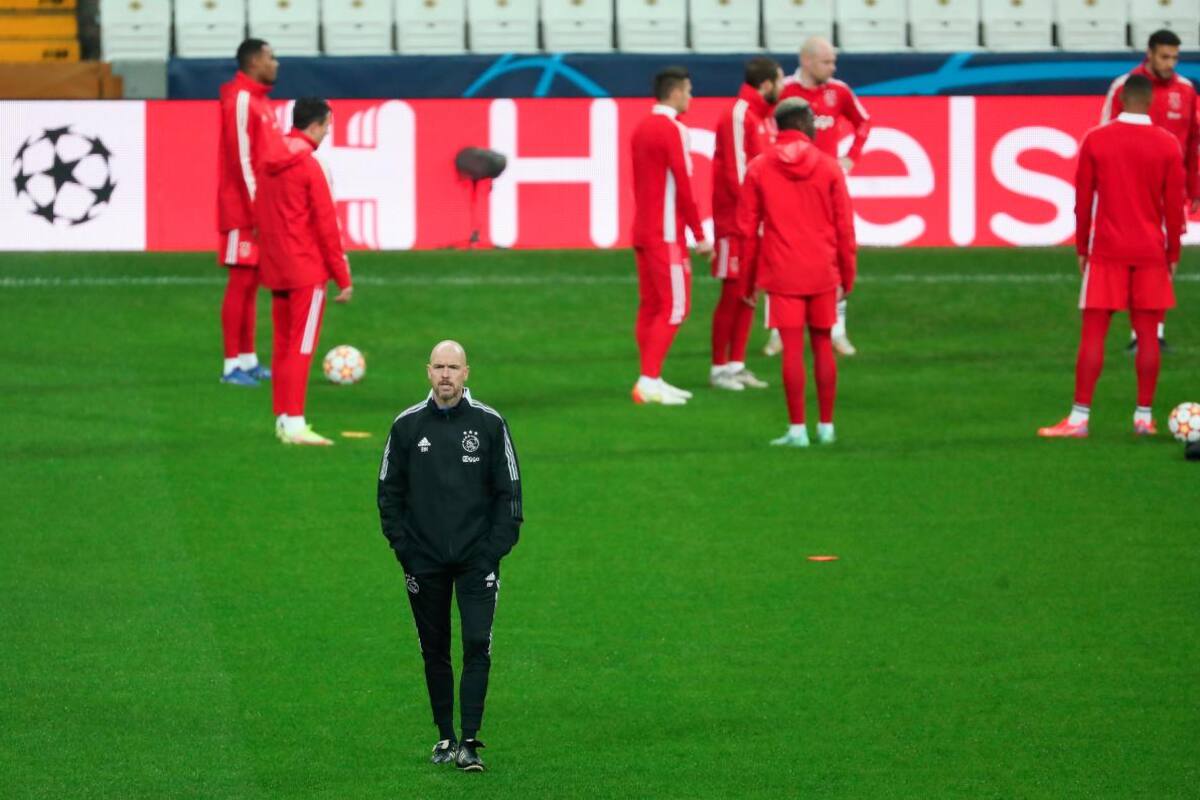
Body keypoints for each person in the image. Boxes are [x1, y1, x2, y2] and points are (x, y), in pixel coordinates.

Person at [377, 340, 523, 773]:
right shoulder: (406, 426)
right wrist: (404, 548)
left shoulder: (490, 423)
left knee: (477, 643)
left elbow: (510, 493)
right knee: (434, 648)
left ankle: (471, 742)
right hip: (423, 561)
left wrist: (494, 549)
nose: (445, 375)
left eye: (453, 368)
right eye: (438, 367)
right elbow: (388, 493)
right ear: (428, 372)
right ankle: (445, 736)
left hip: (477, 559)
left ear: (466, 373)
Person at [1039, 75, 1184, 439]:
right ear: (1150, 103)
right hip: (1150, 252)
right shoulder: (1167, 144)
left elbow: (1083, 200)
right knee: (1148, 335)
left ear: (1119, 101)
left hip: (1106, 251)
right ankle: (1143, 418)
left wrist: (1082, 250)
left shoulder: (1096, 140)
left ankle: (1078, 419)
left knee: (1093, 333)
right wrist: (1172, 253)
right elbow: (1174, 209)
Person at [737, 98, 856, 447]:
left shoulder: (759, 167)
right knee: (822, 344)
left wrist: (747, 282)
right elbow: (845, 228)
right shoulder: (829, 167)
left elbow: (746, 230)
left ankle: (797, 429)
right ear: (803, 125)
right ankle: (827, 426)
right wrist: (847, 276)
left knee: (791, 348)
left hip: (782, 271)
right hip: (822, 269)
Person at [255, 97, 353, 445]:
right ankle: (295, 423)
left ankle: (283, 418)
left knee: (282, 345)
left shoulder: (267, 162)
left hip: (276, 266)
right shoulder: (312, 167)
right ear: (316, 124)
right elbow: (327, 225)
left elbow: (260, 212)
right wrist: (342, 275)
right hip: (306, 270)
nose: (327, 132)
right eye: (327, 125)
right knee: (301, 346)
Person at [766, 35, 870, 359]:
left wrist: (851, 156)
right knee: (779, 252)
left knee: (835, 254)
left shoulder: (838, 92)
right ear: (807, 61)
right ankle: (778, 332)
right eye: (827, 61)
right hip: (786, 188)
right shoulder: (783, 92)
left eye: (833, 61)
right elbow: (763, 127)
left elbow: (863, 123)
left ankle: (837, 331)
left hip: (826, 186)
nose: (833, 67)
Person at [1101, 28, 1197, 353]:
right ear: (1150, 53)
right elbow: (1105, 138)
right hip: (1131, 192)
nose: (1170, 63)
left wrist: (1194, 185)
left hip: (1170, 191)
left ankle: (1154, 331)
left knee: (1165, 260)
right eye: (1164, 56)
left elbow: (1195, 143)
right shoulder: (1124, 88)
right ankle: (1137, 334)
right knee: (1134, 261)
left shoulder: (1186, 91)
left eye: (1175, 57)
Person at [629, 66, 714, 406]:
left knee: (652, 306)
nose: (691, 97)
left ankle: (651, 377)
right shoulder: (673, 130)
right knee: (675, 307)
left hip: (643, 230)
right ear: (676, 92)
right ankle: (648, 380)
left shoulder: (640, 129)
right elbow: (683, 184)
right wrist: (699, 234)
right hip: (666, 234)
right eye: (689, 91)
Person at [709, 56, 782, 393]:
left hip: (758, 222)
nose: (782, 88)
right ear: (766, 84)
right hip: (736, 223)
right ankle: (718, 368)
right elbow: (736, 173)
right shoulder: (739, 114)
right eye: (780, 81)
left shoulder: (764, 119)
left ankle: (736, 364)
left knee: (749, 294)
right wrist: (750, 218)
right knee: (731, 292)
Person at [216, 38, 284, 386]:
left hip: (260, 209)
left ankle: (247, 359)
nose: (276, 63)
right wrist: (258, 210)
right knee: (240, 282)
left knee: (252, 283)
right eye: (271, 57)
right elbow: (240, 159)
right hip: (243, 211)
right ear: (255, 60)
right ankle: (231, 367)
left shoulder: (261, 102)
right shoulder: (241, 100)